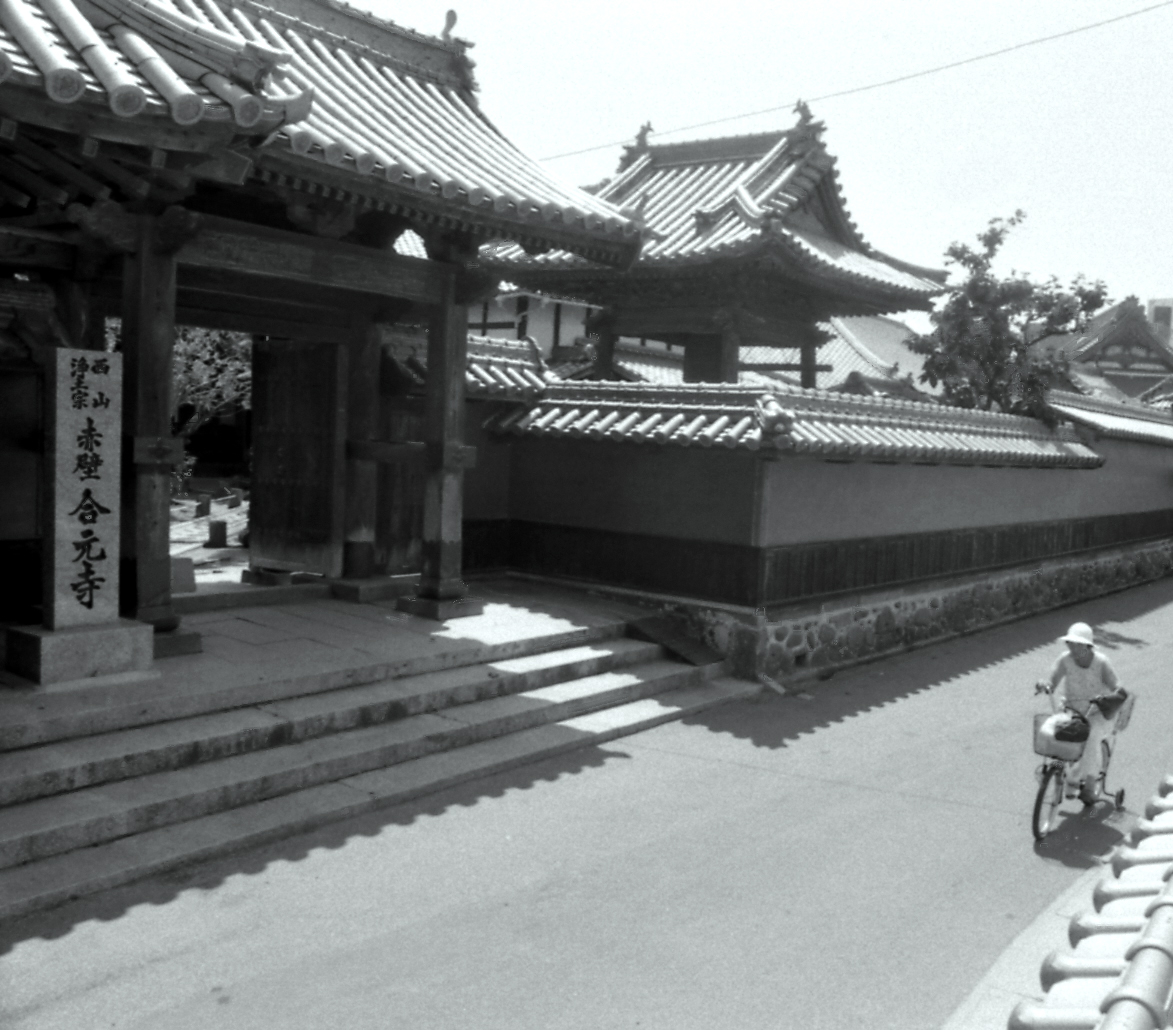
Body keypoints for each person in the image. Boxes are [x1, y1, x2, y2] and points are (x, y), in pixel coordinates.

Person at [1036, 622, 1125, 805]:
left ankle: (1089, 785)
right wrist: (1045, 685)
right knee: (1054, 733)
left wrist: (1107, 697)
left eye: (1077, 644)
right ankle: (1061, 772)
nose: (1072, 647)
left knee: (1090, 736)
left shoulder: (1101, 662)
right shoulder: (1065, 659)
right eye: (1070, 643)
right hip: (1071, 710)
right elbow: (1052, 681)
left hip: (1097, 713)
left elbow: (1117, 687)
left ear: (1087, 645)